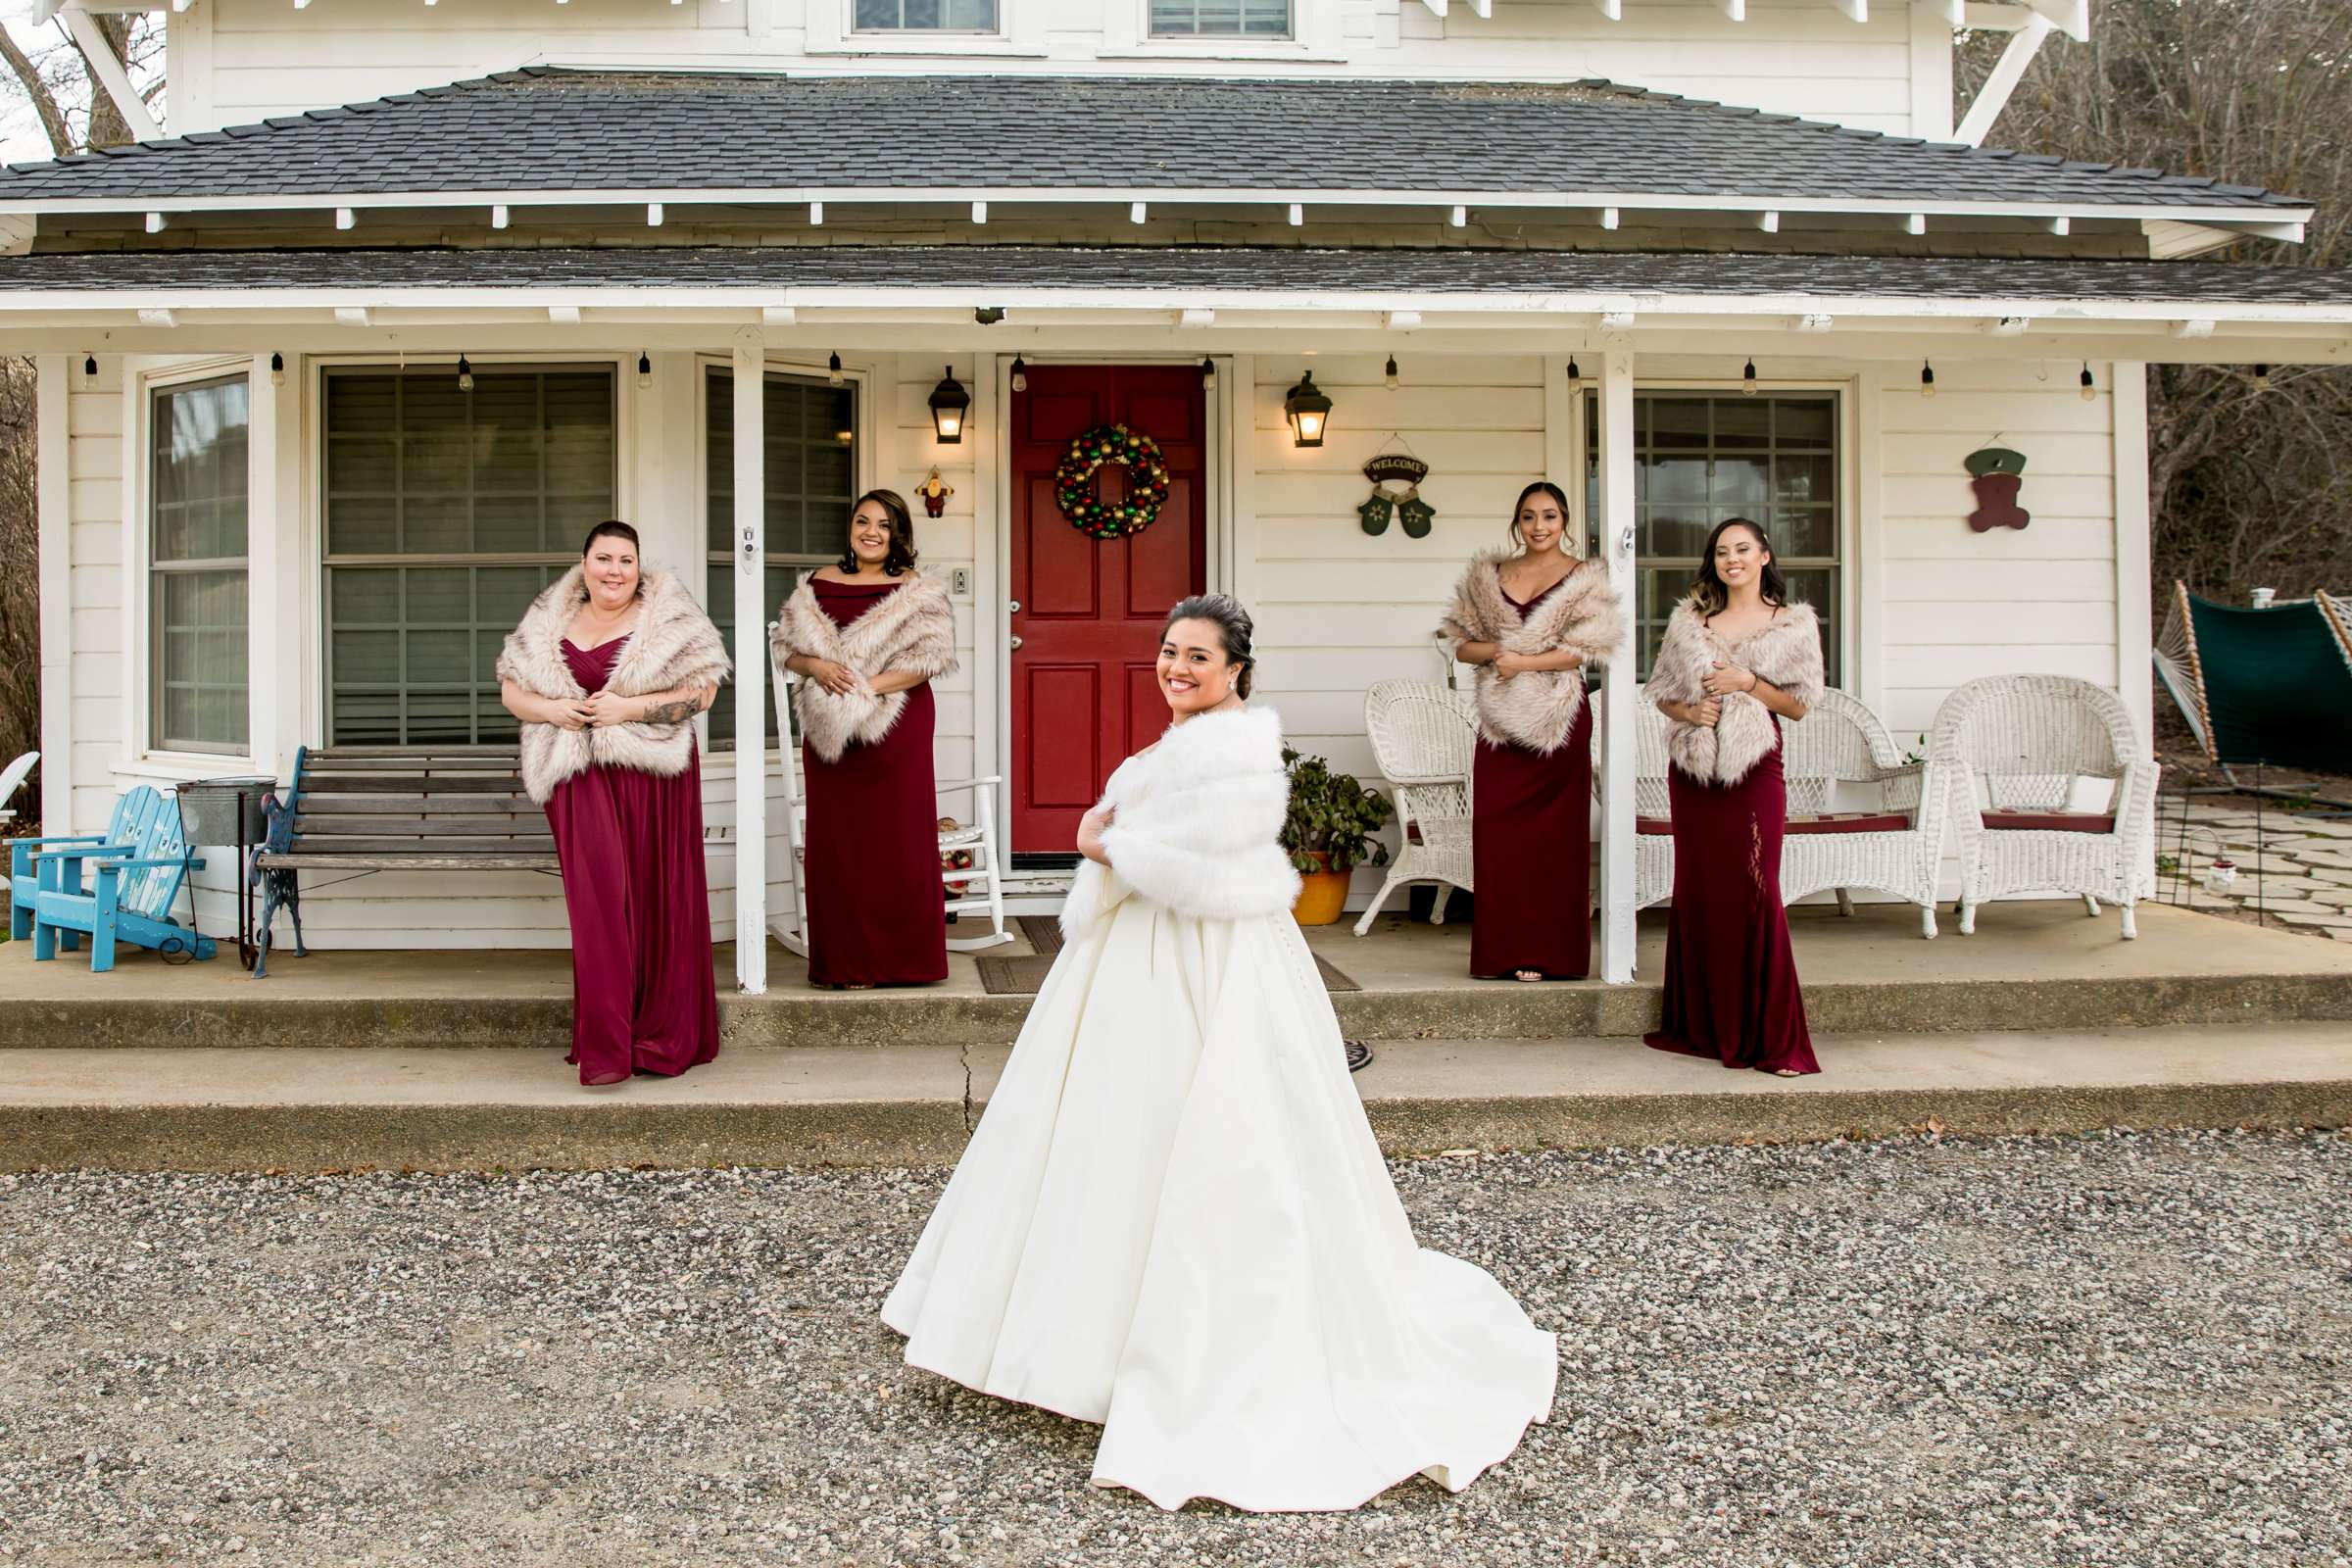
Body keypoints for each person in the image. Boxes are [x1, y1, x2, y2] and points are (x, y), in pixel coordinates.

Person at [882, 594, 1556, 1513]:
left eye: (1197, 656)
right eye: (1168, 652)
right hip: (1138, 955)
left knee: (1218, 1133)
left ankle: (1183, 1344)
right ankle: (1068, 1330)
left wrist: (1101, 840)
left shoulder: (1239, 744)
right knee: (1104, 1132)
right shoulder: (1181, 739)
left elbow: (1200, 854)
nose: (1177, 667)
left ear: (1237, 667)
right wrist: (1108, 839)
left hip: (1208, 956)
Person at [497, 520, 729, 1088]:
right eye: (604, 558)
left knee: (654, 898)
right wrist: (551, 712)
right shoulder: (549, 617)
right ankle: (606, 1044)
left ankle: (655, 1035)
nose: (614, 571)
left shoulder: (670, 616)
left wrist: (628, 710)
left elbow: (703, 691)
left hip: (652, 778)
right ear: (584, 563)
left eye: (626, 560)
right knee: (599, 905)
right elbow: (510, 686)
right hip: (576, 775)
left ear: (639, 566)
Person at [1642, 517, 1824, 1077]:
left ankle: (1772, 1040)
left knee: (1757, 888)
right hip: (1696, 775)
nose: (1732, 559)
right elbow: (1662, 696)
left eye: (1743, 549)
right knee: (1701, 892)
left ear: (1765, 556)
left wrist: (1748, 684)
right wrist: (1692, 711)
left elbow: (1798, 706)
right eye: (1722, 552)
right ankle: (1705, 1026)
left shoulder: (1792, 627)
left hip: (1755, 771)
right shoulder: (1691, 625)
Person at [771, 490, 957, 990]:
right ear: (850, 528)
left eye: (883, 524)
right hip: (831, 731)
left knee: (897, 839)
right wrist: (818, 666)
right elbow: (786, 651)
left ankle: (906, 960)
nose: (871, 532)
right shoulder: (817, 585)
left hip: (895, 728)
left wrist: (864, 687)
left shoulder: (915, 588)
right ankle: (848, 963)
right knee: (840, 845)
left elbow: (929, 660)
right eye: (862, 521)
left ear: (898, 534)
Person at [1441, 481, 1623, 981]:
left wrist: (1525, 660)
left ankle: (1553, 953)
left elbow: (1588, 648)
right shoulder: (1489, 576)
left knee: (1555, 840)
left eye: (1549, 516)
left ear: (1564, 520)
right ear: (1516, 523)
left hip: (1558, 721)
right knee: (1500, 836)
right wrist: (1498, 654)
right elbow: (1461, 646)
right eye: (1528, 516)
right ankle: (1504, 951)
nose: (1538, 526)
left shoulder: (1585, 577)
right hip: (1500, 720)